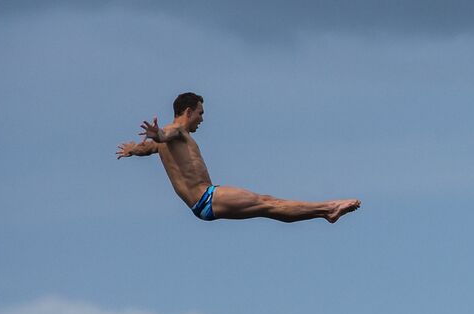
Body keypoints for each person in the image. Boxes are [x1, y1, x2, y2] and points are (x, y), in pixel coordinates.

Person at [116, 92, 360, 224]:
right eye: (200, 113)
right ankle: (328, 208)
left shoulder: (166, 143)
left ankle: (324, 212)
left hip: (201, 205)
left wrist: (133, 149)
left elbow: (151, 147)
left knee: (268, 207)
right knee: (268, 203)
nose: (202, 119)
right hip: (207, 197)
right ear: (188, 112)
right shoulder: (177, 131)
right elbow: (164, 134)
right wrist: (157, 133)